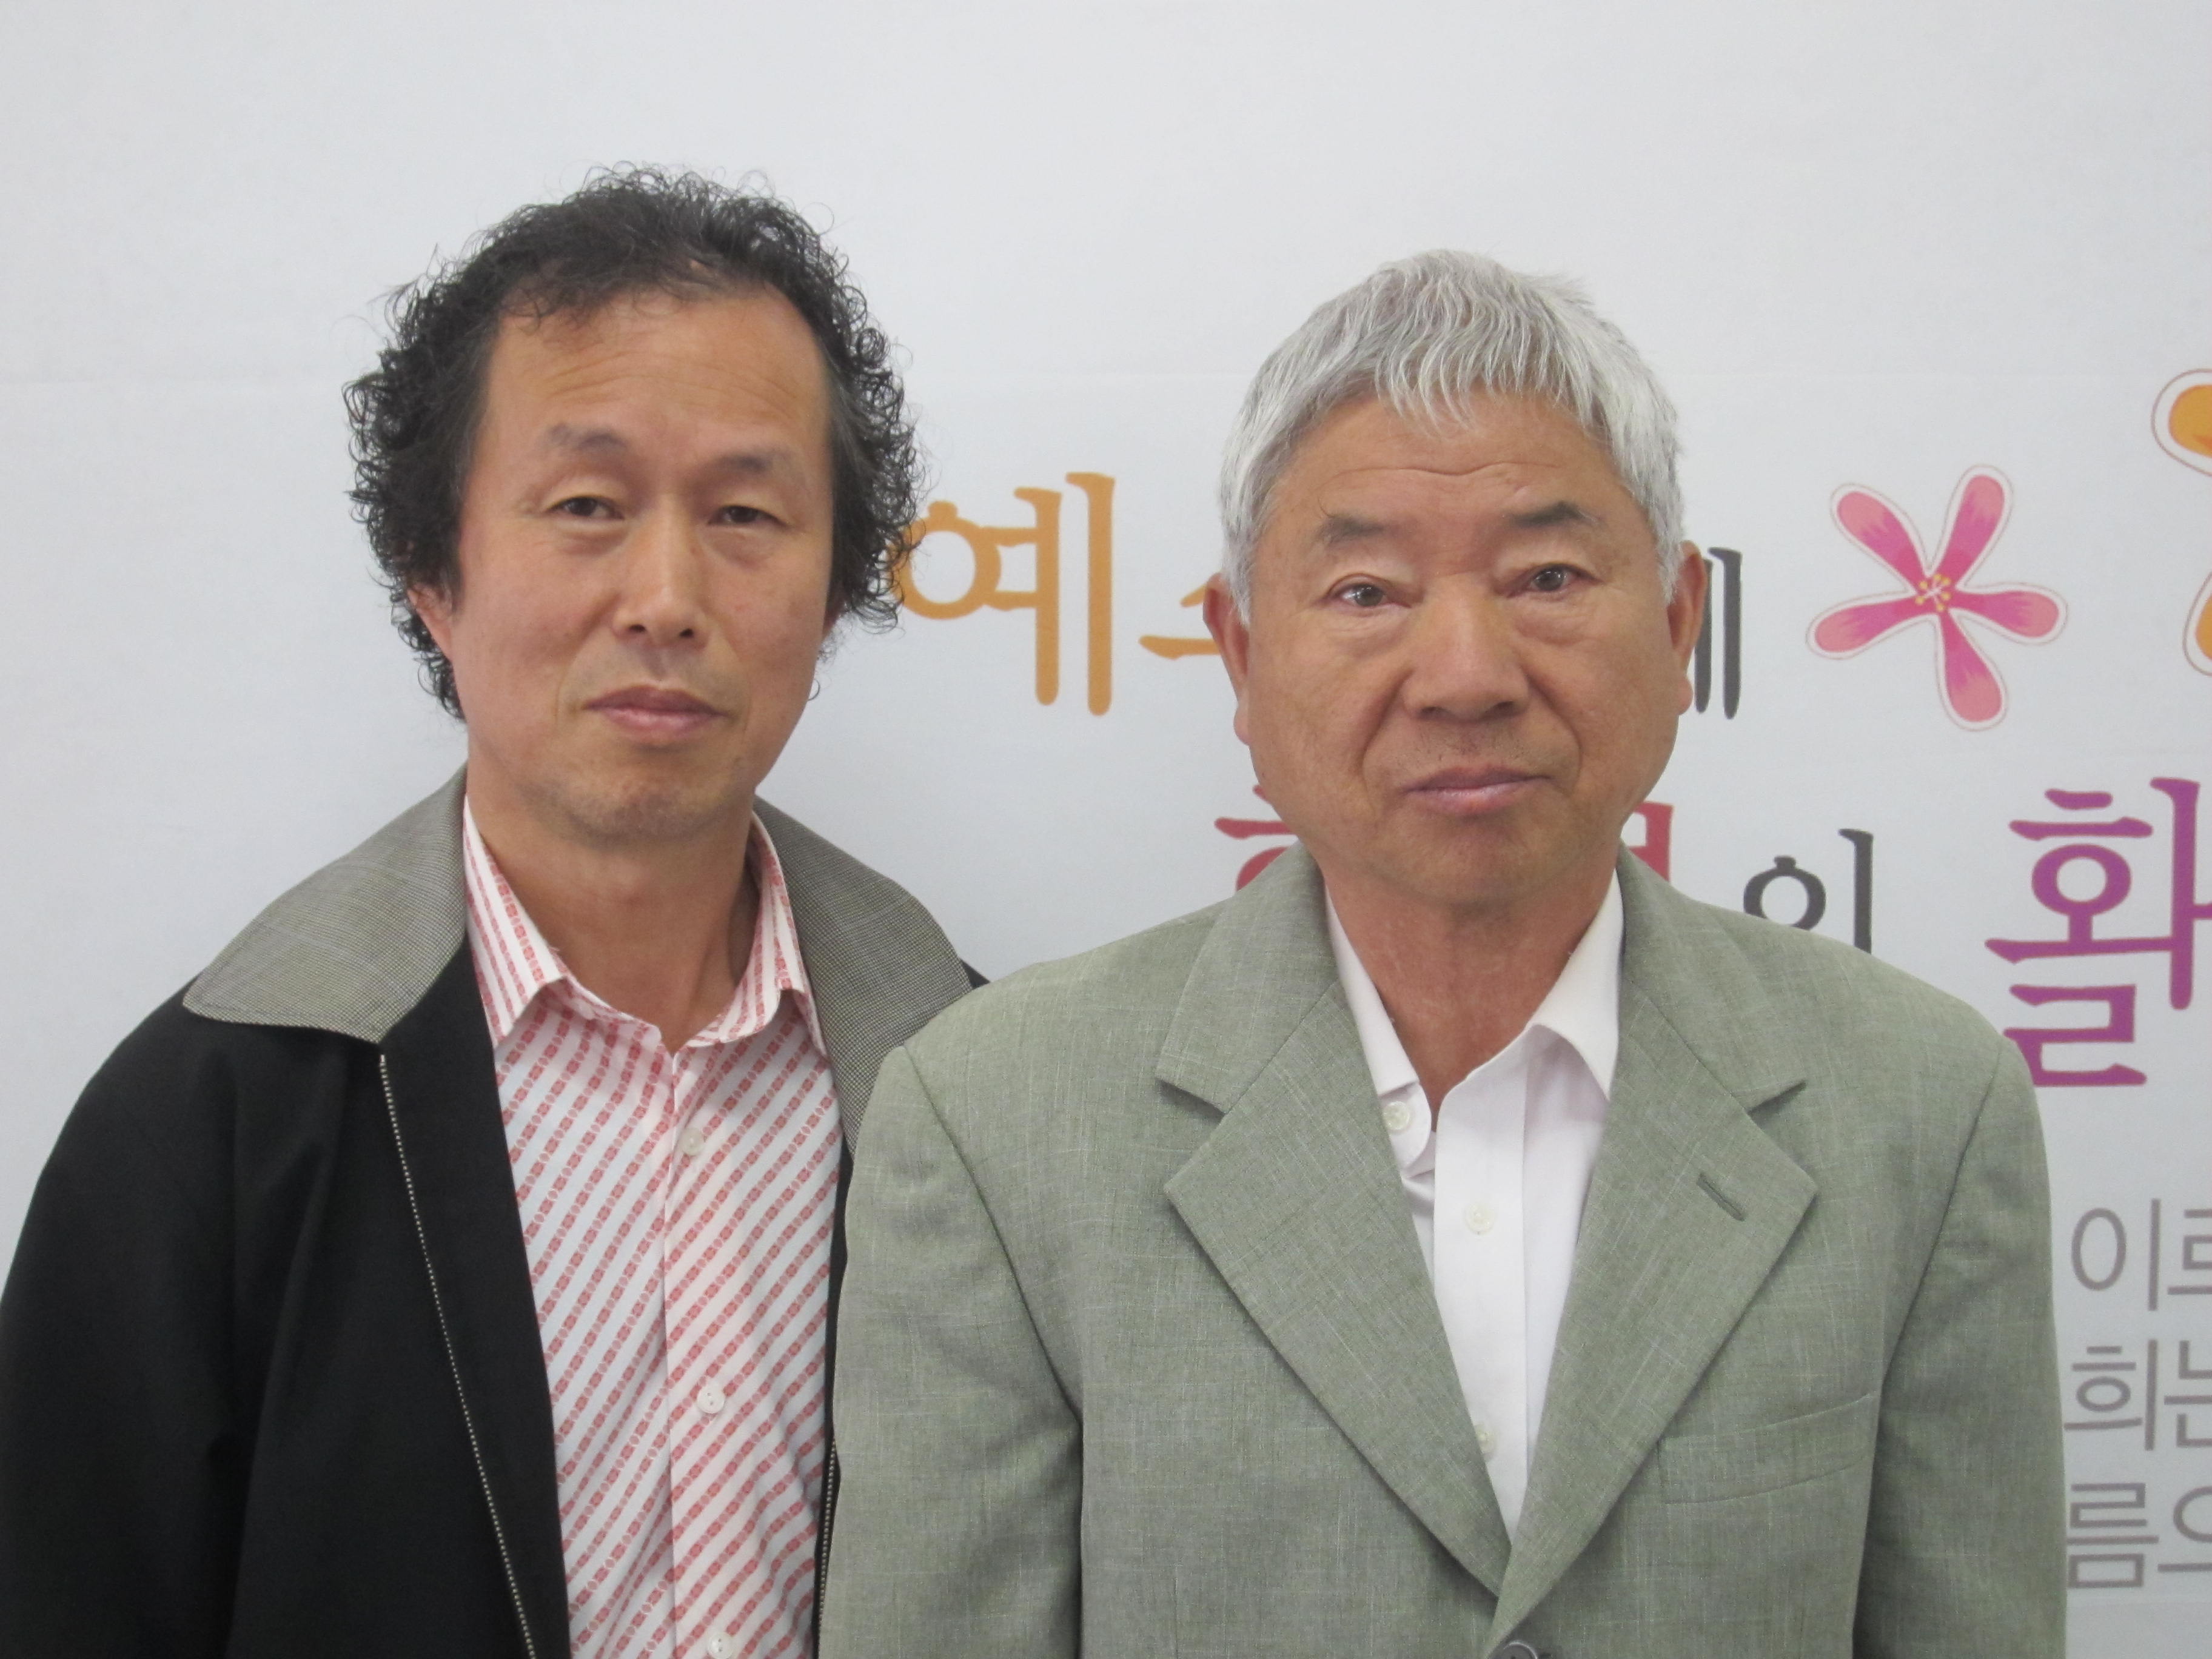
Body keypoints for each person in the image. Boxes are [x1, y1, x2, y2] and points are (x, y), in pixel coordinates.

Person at [819, 252, 2063, 1658]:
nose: (1467, 673)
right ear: (1240, 655)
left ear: (1677, 624)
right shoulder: (996, 1119)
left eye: (1547, 577)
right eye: (1367, 591)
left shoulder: (1918, 1103)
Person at [0, 169, 975, 1659]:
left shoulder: (971, 1083)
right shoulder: (214, 1121)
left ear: (834, 587)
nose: (666, 595)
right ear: (431, 573)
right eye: (586, 507)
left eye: (745, 513)